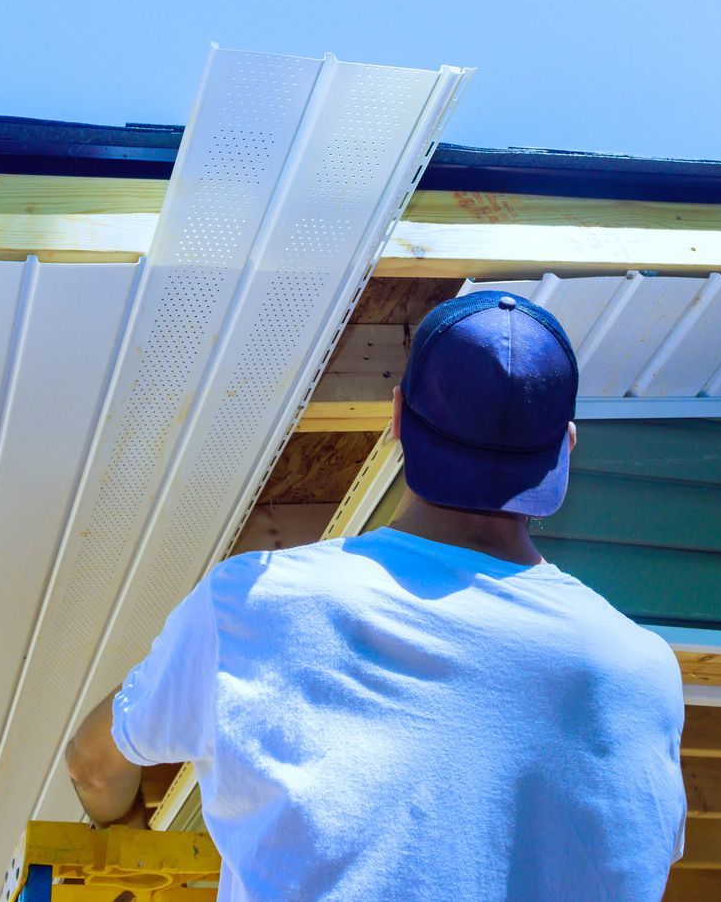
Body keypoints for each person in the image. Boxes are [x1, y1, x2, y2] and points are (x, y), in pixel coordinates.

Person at [65, 290, 686, 900]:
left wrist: (127, 834)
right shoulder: (644, 672)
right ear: (566, 448)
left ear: (396, 420)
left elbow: (94, 765)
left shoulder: (259, 603)